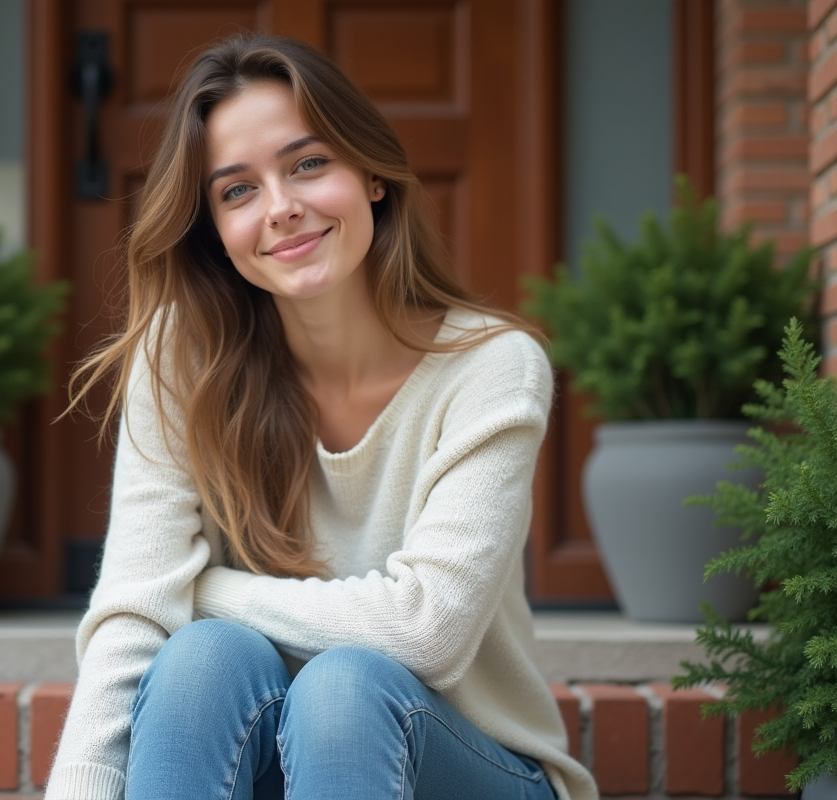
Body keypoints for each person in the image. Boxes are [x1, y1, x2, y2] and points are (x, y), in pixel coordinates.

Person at [45, 33, 598, 800]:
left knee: (344, 688)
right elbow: (133, 622)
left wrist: (203, 587)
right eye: (237, 191)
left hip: (469, 766)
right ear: (215, 230)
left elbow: (424, 632)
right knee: (202, 660)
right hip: (274, 758)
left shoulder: (491, 366)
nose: (282, 208)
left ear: (371, 173)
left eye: (308, 164)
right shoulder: (181, 354)